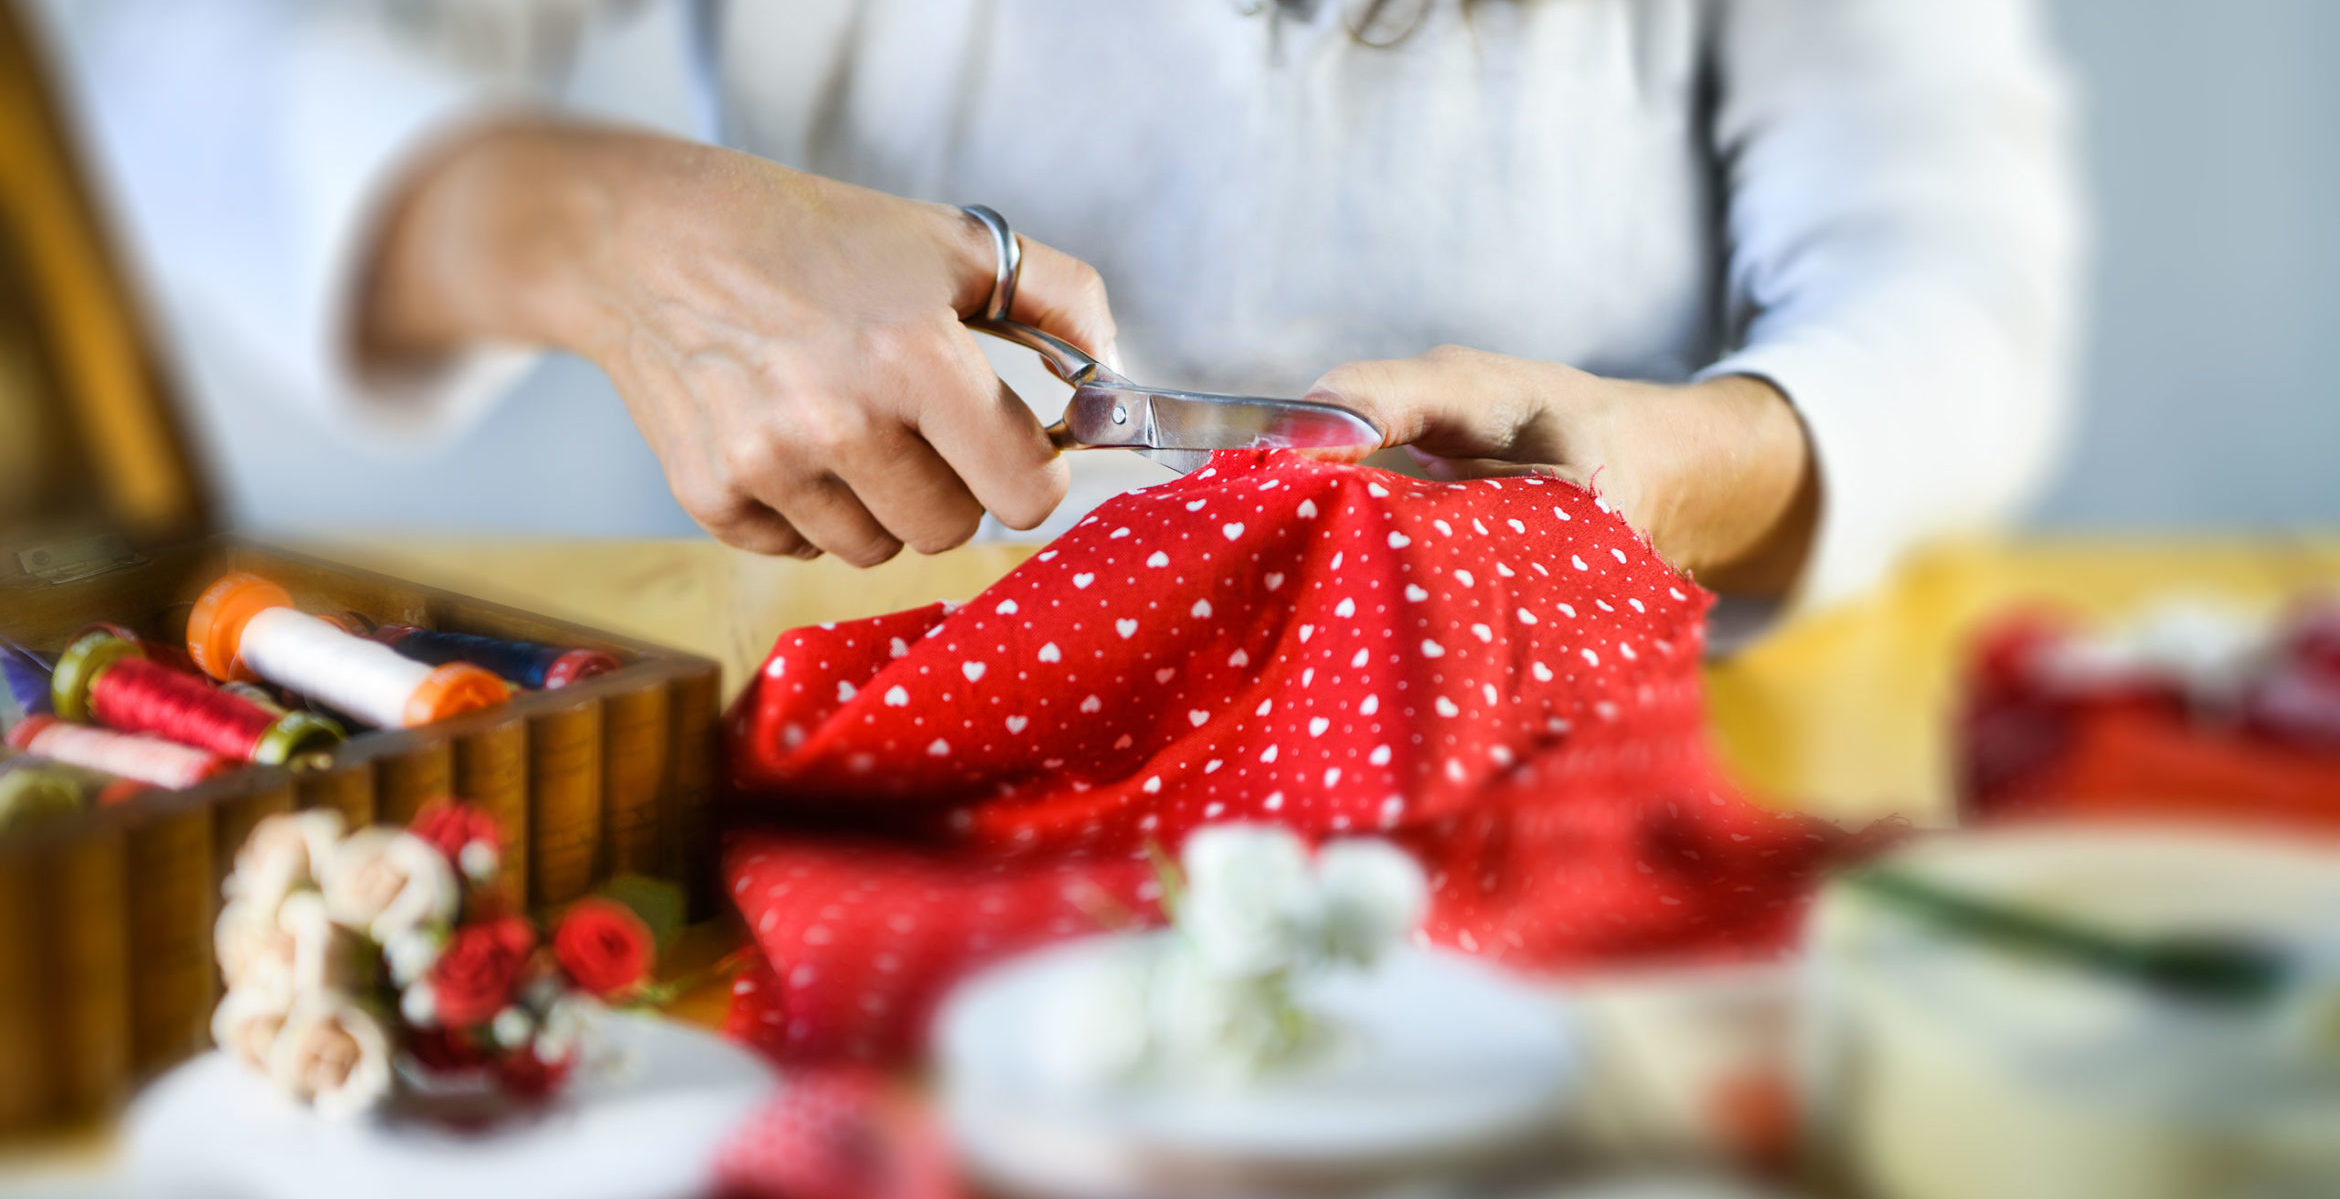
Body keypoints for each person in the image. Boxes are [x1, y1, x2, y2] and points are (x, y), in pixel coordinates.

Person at [38, 0, 2081, 609]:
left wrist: (1675, 467)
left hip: (1583, 756)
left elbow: (1949, 272)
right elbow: (176, 61)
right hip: (865, 744)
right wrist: (635, 238)